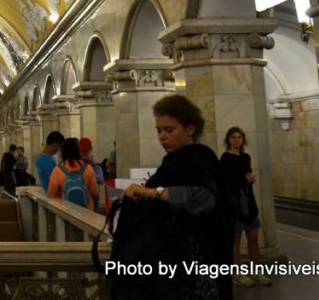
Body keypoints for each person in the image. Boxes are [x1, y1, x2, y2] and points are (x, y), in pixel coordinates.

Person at [109, 94, 233, 300]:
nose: (162, 137)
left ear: (190, 129)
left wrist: (151, 192)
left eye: (169, 130)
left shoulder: (198, 156)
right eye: (158, 130)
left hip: (189, 271)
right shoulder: (173, 160)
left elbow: (203, 197)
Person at [221, 127, 269, 287]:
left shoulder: (246, 157)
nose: (236, 140)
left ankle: (256, 272)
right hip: (234, 203)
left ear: (243, 139)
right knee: (236, 239)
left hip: (248, 201)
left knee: (253, 237)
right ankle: (238, 273)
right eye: (233, 137)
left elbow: (247, 175)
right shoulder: (225, 158)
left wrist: (251, 179)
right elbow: (224, 181)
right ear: (228, 140)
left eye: (239, 137)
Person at [48, 138, 98, 210]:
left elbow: (51, 194)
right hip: (87, 212)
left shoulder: (57, 170)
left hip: (66, 211)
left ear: (63, 152)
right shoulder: (88, 168)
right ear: (78, 151)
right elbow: (94, 193)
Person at [78, 137, 105, 206]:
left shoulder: (94, 165)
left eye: (85, 151)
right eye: (82, 151)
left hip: (91, 197)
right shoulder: (74, 163)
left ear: (90, 150)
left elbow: (101, 180)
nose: (84, 153)